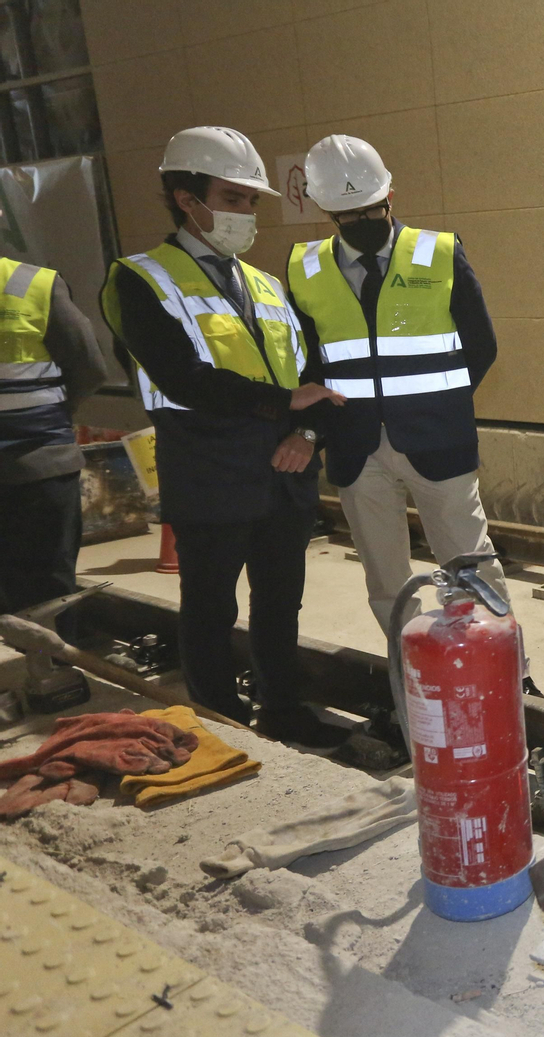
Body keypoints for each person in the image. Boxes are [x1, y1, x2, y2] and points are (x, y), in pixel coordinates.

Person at [99, 126, 346, 746]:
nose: (246, 214)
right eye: (233, 199)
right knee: (211, 609)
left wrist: (309, 432)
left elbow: (311, 370)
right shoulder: (141, 278)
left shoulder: (264, 284)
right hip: (208, 472)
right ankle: (218, 724)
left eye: (251, 202)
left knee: (279, 604)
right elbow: (182, 376)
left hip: (285, 473)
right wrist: (280, 404)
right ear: (187, 199)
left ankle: (282, 711)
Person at [283, 136, 539, 692]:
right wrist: (313, 429)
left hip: (437, 441)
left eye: (371, 209)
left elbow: (482, 345)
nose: (361, 221)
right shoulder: (303, 267)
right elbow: (309, 365)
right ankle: (419, 680)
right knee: (386, 577)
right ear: (329, 212)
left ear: (390, 194)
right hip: (355, 446)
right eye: (347, 214)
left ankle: (507, 675)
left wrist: (437, 403)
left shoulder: (439, 250)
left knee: (472, 565)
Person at [0, 237, 110, 644]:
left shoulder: (35, 284)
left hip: (40, 462)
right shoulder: (34, 285)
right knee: (48, 582)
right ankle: (51, 671)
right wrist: (53, 417)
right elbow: (89, 365)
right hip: (40, 461)